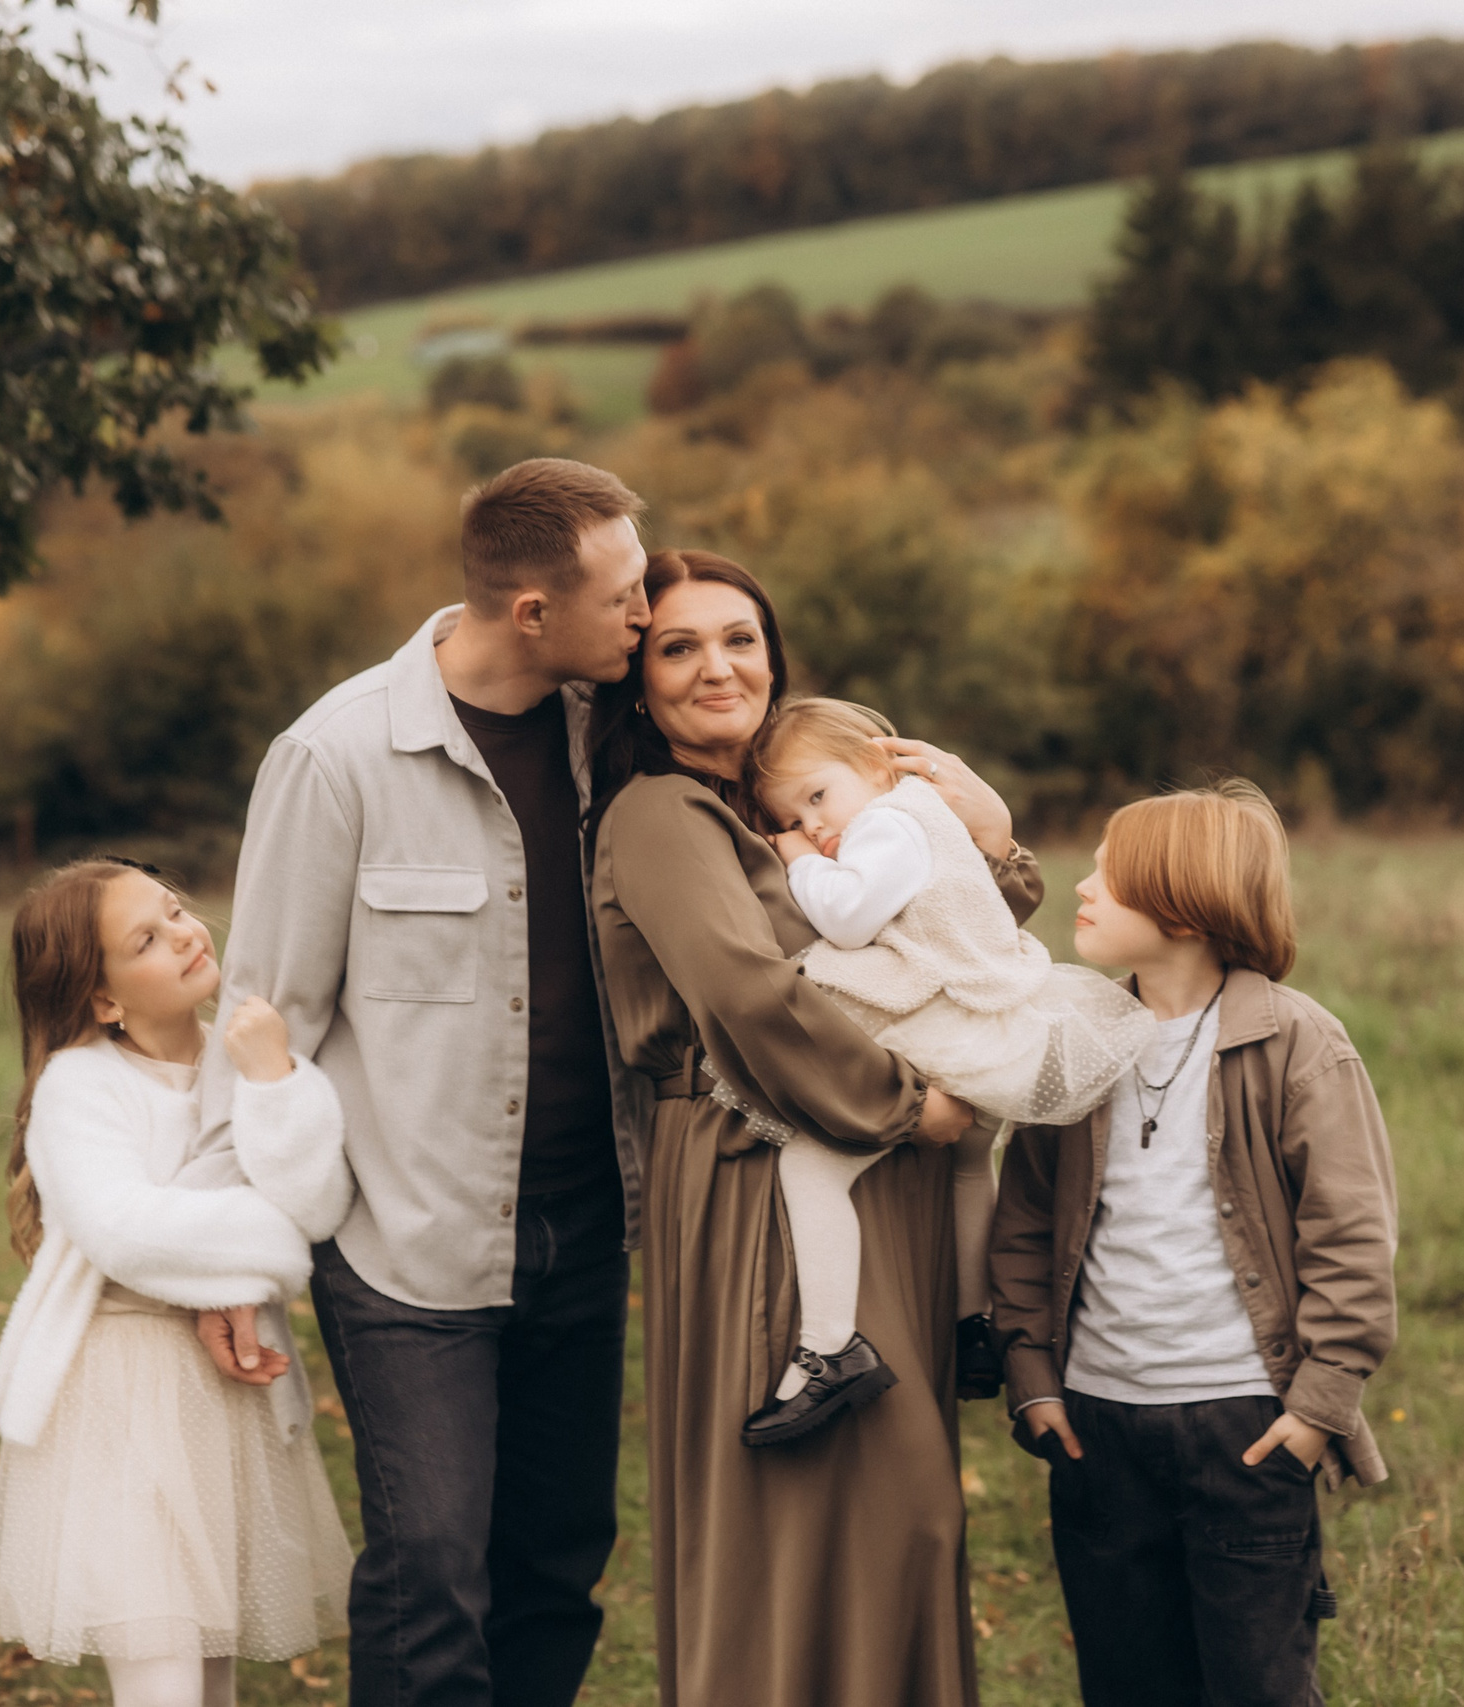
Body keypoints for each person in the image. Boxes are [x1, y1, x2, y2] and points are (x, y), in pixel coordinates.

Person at [215, 458, 651, 1707]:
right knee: (430, 1574)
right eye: (621, 595)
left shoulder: (608, 739)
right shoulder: (337, 756)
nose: (644, 615)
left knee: (557, 1567)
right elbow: (260, 1017)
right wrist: (234, 1263)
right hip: (407, 1246)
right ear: (531, 611)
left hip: (585, 1230)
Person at [587, 549, 1038, 1707]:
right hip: (758, 1167)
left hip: (860, 1163)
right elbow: (746, 994)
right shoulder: (659, 815)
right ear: (636, 682)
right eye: (677, 647)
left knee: (902, 1513)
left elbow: (930, 935)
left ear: (774, 656)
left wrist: (990, 840)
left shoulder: (793, 802)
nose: (714, 666)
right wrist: (909, 1105)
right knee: (837, 1504)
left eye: (738, 638)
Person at [989, 781, 1400, 1707]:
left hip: (1246, 1427)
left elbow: (1352, 1234)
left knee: (1256, 1682)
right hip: (1097, 1428)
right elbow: (1021, 1221)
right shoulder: (1077, 1041)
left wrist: (1318, 1404)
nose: (1083, 884)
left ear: (1184, 904)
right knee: (1128, 1680)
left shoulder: (1296, 1043)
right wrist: (1033, 1375)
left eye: (1110, 871)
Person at [0, 858, 356, 1707]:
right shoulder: (80, 1086)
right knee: (160, 1671)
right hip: (123, 1396)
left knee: (211, 1663)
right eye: (146, 939)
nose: (186, 933)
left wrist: (274, 1081)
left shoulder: (245, 1056)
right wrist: (269, 1250)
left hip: (222, 1407)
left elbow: (319, 1198)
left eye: (177, 909)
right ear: (104, 999)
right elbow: (124, 1228)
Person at [745, 697, 1150, 1444]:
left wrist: (796, 858)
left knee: (809, 1164)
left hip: (954, 1022)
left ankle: (830, 1347)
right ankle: (974, 1321)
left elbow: (848, 917)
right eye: (797, 818)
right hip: (987, 1018)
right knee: (971, 1162)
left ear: (876, 762)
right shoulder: (915, 817)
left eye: (817, 796)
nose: (815, 825)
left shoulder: (891, 821)